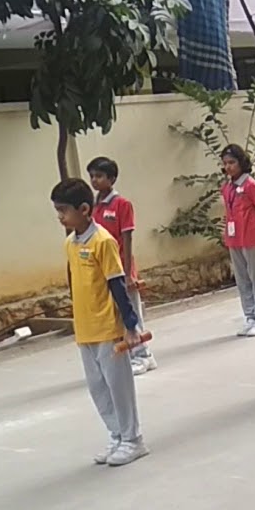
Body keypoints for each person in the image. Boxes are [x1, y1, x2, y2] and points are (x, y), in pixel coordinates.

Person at [51, 178, 147, 466]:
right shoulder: (70, 243)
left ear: (83, 209)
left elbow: (117, 285)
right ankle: (116, 434)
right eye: (57, 211)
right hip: (86, 327)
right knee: (98, 387)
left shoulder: (103, 241)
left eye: (63, 211)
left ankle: (133, 439)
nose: (60, 217)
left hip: (108, 327)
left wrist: (130, 326)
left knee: (118, 386)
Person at [86, 157, 156, 376]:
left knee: (131, 311)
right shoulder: (93, 206)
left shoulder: (121, 205)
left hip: (121, 266)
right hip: (103, 269)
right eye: (92, 176)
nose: (94, 181)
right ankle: (130, 352)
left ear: (112, 179)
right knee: (115, 313)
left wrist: (127, 272)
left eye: (99, 176)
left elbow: (126, 238)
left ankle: (143, 354)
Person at [220, 144, 255, 336]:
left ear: (242, 162)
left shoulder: (250, 185)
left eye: (232, 162)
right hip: (234, 238)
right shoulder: (227, 187)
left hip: (251, 237)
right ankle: (250, 315)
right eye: (225, 163)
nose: (228, 167)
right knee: (242, 279)